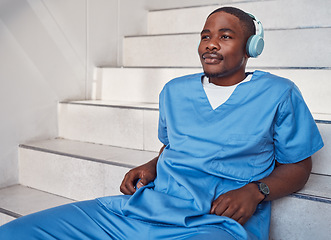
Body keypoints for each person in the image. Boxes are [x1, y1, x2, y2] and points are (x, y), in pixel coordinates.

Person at [0, 6, 324, 240]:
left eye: (225, 36)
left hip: (215, 222)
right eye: (205, 36)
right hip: (143, 209)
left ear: (251, 47)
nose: (211, 44)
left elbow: (298, 166)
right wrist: (153, 164)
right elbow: (173, 145)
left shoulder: (278, 94)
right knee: (16, 232)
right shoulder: (175, 91)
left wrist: (256, 191)